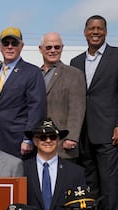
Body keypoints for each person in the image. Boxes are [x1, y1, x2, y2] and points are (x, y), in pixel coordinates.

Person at [70, 15, 118, 210]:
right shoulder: (76, 62)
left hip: (108, 132)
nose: (95, 32)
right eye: (91, 28)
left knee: (110, 188)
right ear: (85, 32)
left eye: (99, 28)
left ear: (106, 31)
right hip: (83, 135)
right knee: (90, 188)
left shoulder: (116, 56)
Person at [0, 27, 46, 159]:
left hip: (17, 141)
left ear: (22, 46)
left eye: (14, 43)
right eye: (6, 43)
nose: (10, 47)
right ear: (0, 46)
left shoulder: (32, 72)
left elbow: (36, 107)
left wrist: (28, 138)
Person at [23, 118, 86, 210]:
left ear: (58, 140)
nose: (48, 140)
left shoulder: (76, 172)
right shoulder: (22, 169)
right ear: (35, 141)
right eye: (43, 137)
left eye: (52, 137)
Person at [39, 32, 86, 161]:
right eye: (48, 47)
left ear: (62, 48)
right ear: (40, 49)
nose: (53, 50)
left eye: (57, 47)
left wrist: (71, 137)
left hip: (63, 146)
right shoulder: (35, 74)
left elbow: (77, 109)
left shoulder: (74, 74)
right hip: (39, 144)